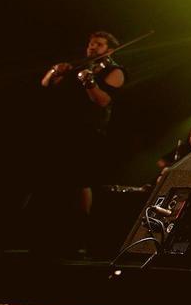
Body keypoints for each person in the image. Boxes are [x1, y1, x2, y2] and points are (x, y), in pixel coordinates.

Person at [33, 31, 126, 251]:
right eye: (91, 44)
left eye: (99, 45)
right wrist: (55, 71)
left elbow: (103, 101)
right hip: (63, 130)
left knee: (79, 181)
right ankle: (47, 232)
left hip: (88, 132)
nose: (92, 48)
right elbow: (45, 85)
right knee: (52, 180)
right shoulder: (78, 66)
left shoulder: (115, 71)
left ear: (110, 50)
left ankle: (79, 234)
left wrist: (89, 82)